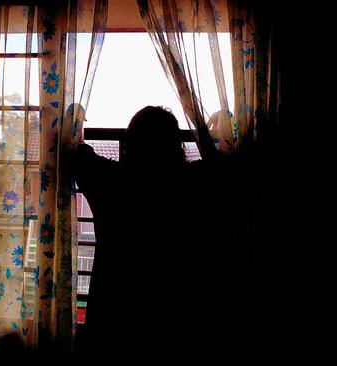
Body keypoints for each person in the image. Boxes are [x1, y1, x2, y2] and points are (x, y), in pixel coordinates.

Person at [72, 106, 237, 356]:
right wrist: (219, 123)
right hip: (179, 319)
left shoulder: (111, 181)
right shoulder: (195, 183)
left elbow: (77, 153)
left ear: (129, 142)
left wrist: (75, 116)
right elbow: (227, 162)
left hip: (114, 314)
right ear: (175, 144)